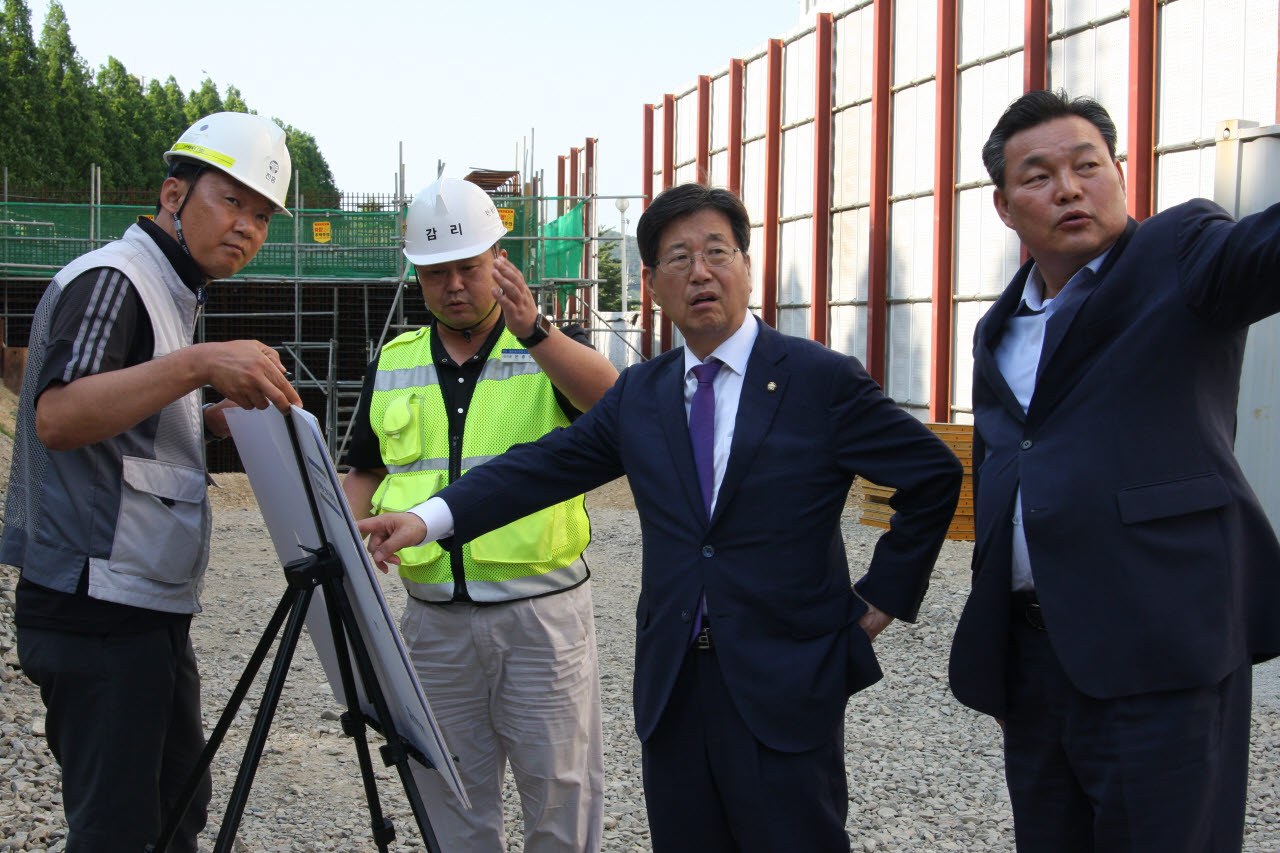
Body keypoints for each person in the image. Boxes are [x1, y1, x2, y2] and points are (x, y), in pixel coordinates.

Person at [358, 182, 963, 852]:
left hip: (785, 677)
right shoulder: (644, 393)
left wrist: (880, 598)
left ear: (746, 264)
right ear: (650, 282)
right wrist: (428, 518)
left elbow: (933, 474)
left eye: (716, 252)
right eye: (678, 258)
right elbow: (539, 467)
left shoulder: (818, 380)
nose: (700, 272)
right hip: (674, 683)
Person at [948, 89, 1280, 852]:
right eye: (1038, 176)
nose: (1068, 187)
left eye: (1086, 165)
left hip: (1158, 644)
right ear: (1003, 207)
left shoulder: (1183, 254)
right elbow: (1012, 459)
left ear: (1119, 173)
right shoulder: (999, 326)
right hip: (1034, 657)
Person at [3, 112, 302, 852]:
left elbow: (126, 430)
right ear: (174, 193)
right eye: (232, 201)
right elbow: (60, 416)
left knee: (173, 807)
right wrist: (202, 366)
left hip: (143, 607)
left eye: (261, 216)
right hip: (93, 607)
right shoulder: (117, 279)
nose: (247, 228)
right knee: (118, 830)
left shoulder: (174, 291)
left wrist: (208, 420)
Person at [340, 177, 618, 852]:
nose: (455, 284)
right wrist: (341, 544)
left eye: (468, 266)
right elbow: (365, 468)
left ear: (498, 259)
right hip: (433, 620)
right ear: (418, 276)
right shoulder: (395, 362)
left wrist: (538, 330)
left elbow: (618, 409)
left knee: (559, 791)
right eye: (437, 272)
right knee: (451, 796)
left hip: (540, 619)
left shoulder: (551, 347)